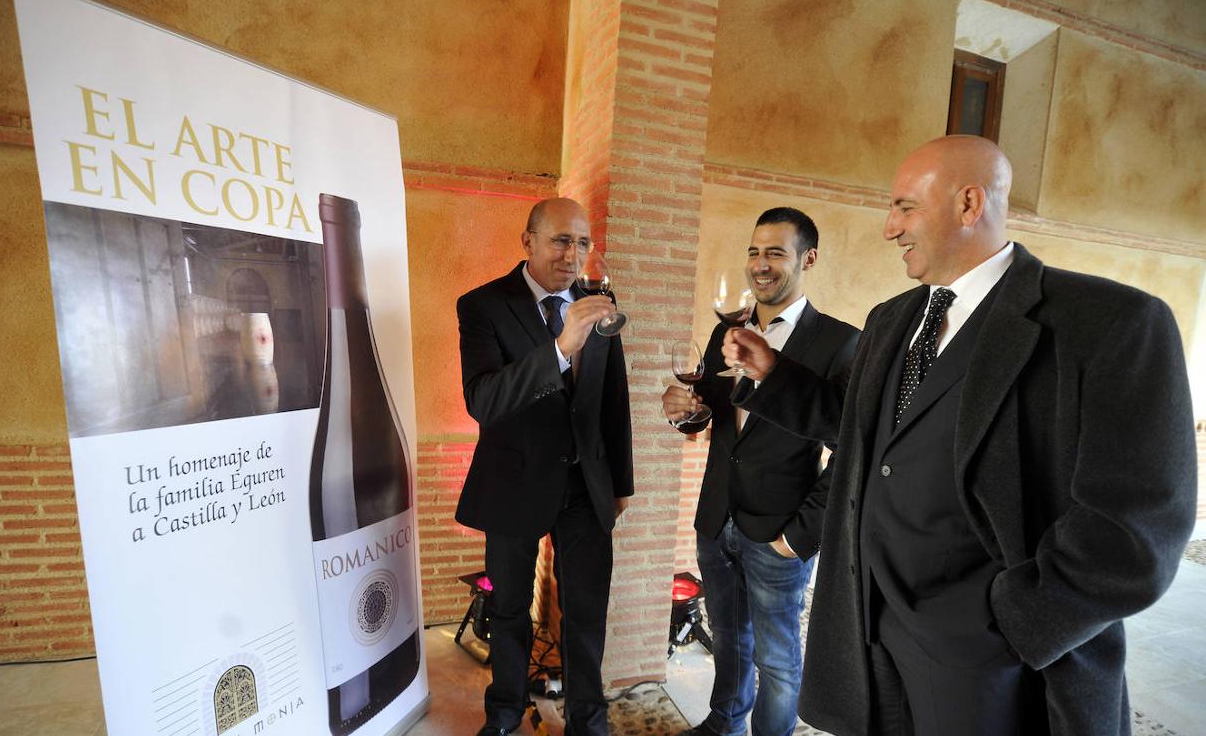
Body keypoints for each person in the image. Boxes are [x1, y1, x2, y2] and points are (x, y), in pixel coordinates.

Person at [722, 135, 1196, 735]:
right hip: (871, 632)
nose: (890, 228)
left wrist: (1015, 623)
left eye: (905, 207)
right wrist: (773, 375)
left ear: (970, 204)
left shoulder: (1108, 323)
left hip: (995, 662)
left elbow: (1138, 522)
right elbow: (860, 423)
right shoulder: (892, 319)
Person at [662, 208, 858, 736]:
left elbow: (850, 449)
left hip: (779, 530)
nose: (761, 265)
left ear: (808, 258)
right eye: (754, 251)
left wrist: (800, 535)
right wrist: (684, 410)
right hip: (715, 516)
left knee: (777, 660)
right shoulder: (728, 331)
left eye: (776, 252)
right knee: (727, 640)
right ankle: (724, 721)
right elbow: (709, 415)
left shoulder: (840, 342)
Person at [456, 197, 634, 736]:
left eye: (582, 242)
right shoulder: (483, 305)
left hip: (585, 484)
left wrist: (620, 482)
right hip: (514, 481)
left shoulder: (599, 303)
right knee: (509, 610)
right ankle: (506, 713)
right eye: (560, 240)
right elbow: (483, 400)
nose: (572, 254)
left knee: (585, 611)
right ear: (528, 241)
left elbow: (613, 400)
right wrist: (558, 348)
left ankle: (587, 721)